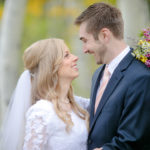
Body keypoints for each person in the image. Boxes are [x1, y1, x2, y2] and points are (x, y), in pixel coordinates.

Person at [75, 2, 150, 150]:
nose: (84, 50)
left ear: (104, 35)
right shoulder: (97, 75)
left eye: (85, 41)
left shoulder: (141, 77)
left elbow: (133, 140)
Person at [1, 38, 90, 150]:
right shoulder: (42, 111)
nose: (75, 57)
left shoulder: (78, 105)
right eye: (66, 55)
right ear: (52, 66)